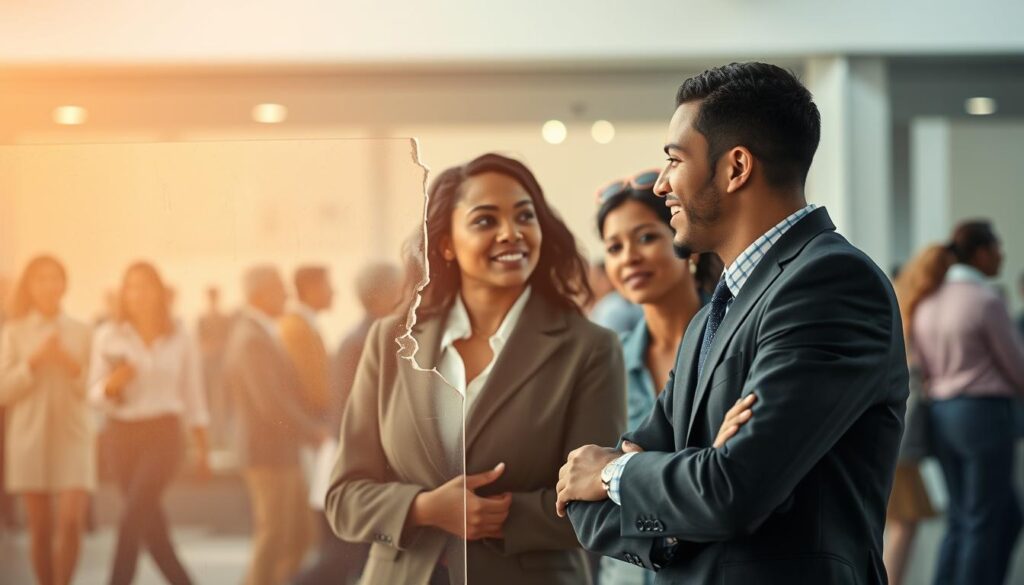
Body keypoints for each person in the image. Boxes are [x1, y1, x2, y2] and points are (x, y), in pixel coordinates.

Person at [557, 62, 908, 585]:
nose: (663, 185)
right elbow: (584, 508)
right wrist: (689, 496)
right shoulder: (711, 315)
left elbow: (733, 488)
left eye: (675, 159)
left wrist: (613, 473)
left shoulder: (831, 283)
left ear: (736, 167)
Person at [325, 153, 626, 585]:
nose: (511, 233)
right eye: (485, 220)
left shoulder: (589, 348)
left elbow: (598, 503)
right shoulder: (392, 339)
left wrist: (496, 516)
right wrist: (424, 508)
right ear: (446, 243)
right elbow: (343, 499)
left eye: (525, 216)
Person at [592, 172, 708, 585]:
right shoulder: (606, 364)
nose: (629, 258)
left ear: (686, 242)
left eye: (646, 238)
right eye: (614, 247)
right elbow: (582, 489)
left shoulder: (733, 347)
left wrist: (622, 472)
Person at [911, 221, 1024, 585]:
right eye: (996, 247)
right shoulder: (985, 300)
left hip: (942, 414)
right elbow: (1017, 367)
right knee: (984, 520)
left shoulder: (927, 299)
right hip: (983, 415)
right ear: (979, 253)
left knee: (961, 517)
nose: (1002, 255)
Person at [89, 261, 210, 585]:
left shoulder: (180, 335)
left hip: (163, 435)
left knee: (132, 517)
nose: (138, 294)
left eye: (145, 286)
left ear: (159, 292)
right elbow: (94, 393)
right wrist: (112, 384)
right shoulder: (108, 335)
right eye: (131, 287)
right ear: (123, 293)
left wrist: (203, 448)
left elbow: (194, 395)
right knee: (151, 527)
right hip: (120, 436)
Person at [292, 263, 402, 585]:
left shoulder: (362, 336)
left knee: (354, 562)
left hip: (348, 466)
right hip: (352, 469)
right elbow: (352, 415)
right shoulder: (369, 339)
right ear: (382, 295)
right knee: (341, 560)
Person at [224, 265, 329, 585]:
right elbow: (270, 403)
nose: (286, 293)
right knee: (274, 537)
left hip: (281, 452)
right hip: (266, 454)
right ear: (260, 294)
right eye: (279, 288)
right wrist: (311, 431)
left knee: (297, 536)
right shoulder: (251, 338)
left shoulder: (262, 332)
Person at [0, 256, 93, 585]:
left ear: (65, 284)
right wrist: (34, 361)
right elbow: (3, 390)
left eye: (55, 278)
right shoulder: (14, 332)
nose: (49, 285)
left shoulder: (82, 331)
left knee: (70, 520)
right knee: (39, 526)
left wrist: (68, 362)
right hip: (30, 437)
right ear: (29, 286)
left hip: (73, 434)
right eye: (40, 279)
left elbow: (94, 388)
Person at [887, 246, 949, 585]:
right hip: (901, 439)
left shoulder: (904, 309)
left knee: (902, 523)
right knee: (903, 523)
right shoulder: (910, 312)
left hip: (899, 436)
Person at [196, 286, 233, 450]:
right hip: (208, 363)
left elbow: (229, 339)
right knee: (209, 400)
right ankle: (212, 438)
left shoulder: (224, 318)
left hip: (221, 363)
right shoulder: (203, 319)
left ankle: (220, 437)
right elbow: (200, 341)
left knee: (220, 400)